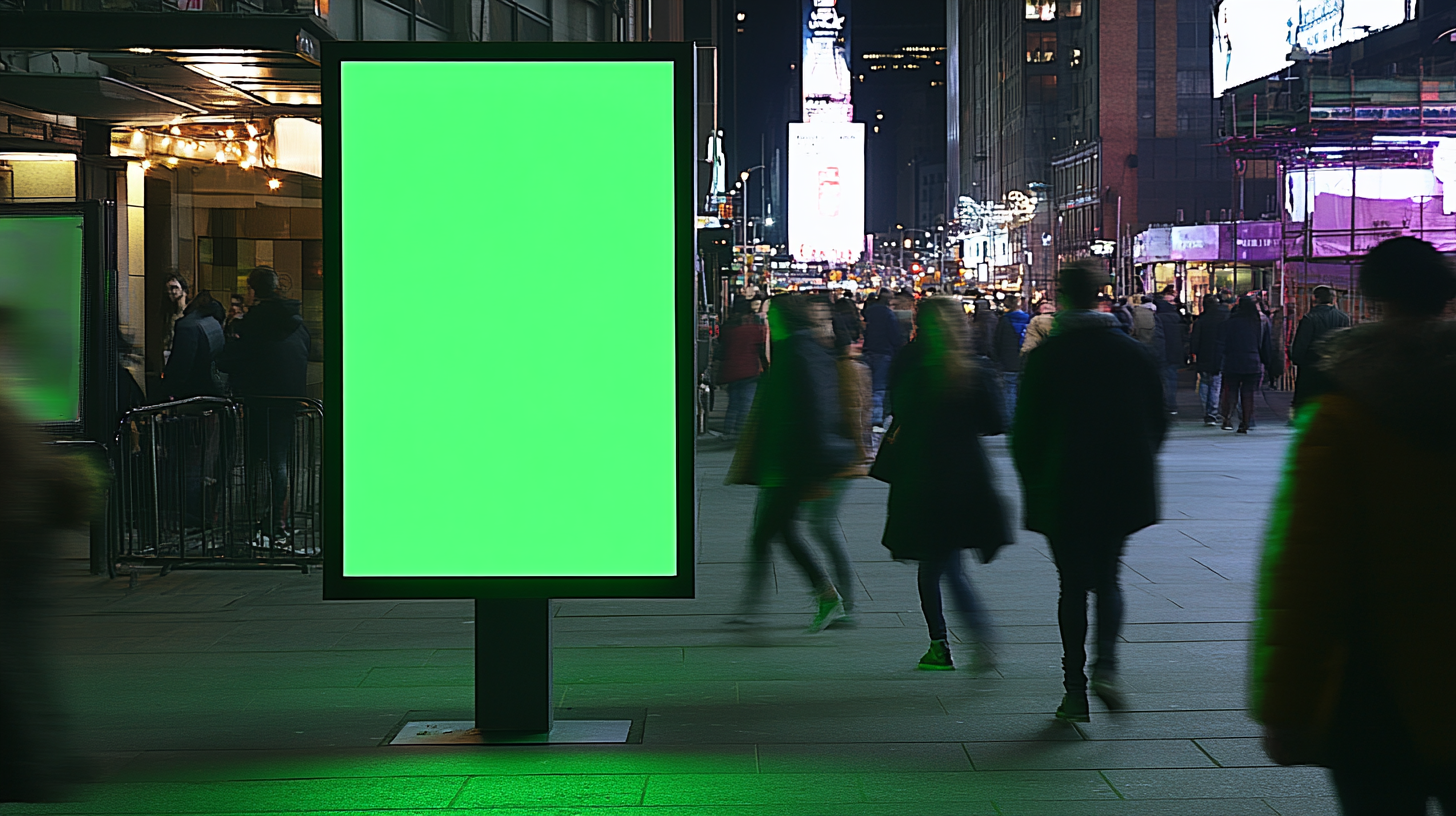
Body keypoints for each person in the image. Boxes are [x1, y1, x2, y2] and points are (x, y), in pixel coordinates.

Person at [1251, 236, 1456, 815]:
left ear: (1371, 298)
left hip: (1377, 695)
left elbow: (1304, 570)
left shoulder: (1340, 422)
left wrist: (1286, 706)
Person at [1012, 262, 1167, 722]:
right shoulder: (1133, 352)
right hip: (1120, 485)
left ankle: (1074, 689)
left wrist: (1034, 480)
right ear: (1100, 295)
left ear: (1062, 297)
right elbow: (1156, 423)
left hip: (1063, 485)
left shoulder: (1046, 357)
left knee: (1071, 586)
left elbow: (1025, 433)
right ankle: (1108, 666)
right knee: (1109, 577)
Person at [871, 297, 1008, 672]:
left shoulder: (908, 363)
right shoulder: (973, 369)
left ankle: (944, 642)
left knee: (936, 565)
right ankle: (966, 639)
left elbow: (896, 409)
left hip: (920, 477)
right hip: (965, 478)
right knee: (947, 563)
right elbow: (996, 422)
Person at [0, 306, 101, 803]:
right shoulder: (9, 401)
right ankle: (45, 755)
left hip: (13, 534)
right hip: (23, 531)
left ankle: (31, 762)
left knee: (13, 652)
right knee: (20, 649)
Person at [725, 294, 852, 632]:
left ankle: (825, 597)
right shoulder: (801, 351)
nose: (767, 322)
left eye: (771, 316)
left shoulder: (798, 353)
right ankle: (819, 598)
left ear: (783, 319)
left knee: (771, 533)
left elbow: (813, 413)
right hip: (784, 461)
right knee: (773, 533)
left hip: (790, 463)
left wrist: (809, 468)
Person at [217, 267, 310, 546]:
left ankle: (261, 521)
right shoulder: (295, 321)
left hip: (260, 400)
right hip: (288, 401)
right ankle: (278, 521)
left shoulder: (254, 323)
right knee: (280, 462)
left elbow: (231, 360)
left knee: (258, 463)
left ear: (253, 290)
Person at [1288, 285, 1351, 414]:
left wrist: (1296, 359)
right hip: (1334, 366)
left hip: (1310, 365)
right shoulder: (1343, 318)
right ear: (1333, 299)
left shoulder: (1309, 319)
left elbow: (1301, 344)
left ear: (1315, 298)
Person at [1215, 296, 1273, 433]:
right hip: (1253, 361)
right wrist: (1267, 362)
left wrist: (1219, 361)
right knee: (1248, 394)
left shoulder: (1229, 322)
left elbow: (1221, 343)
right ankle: (1245, 422)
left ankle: (1227, 418)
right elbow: (1266, 345)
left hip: (1232, 361)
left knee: (1230, 391)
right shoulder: (1259, 323)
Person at [715, 298, 768, 440]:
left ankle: (728, 431)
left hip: (730, 370)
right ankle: (740, 433)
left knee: (733, 403)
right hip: (749, 370)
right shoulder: (755, 329)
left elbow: (721, 350)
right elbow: (761, 349)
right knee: (746, 404)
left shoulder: (727, 328)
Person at [162, 291, 226, 401]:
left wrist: (168, 389)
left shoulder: (188, 326)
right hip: (214, 386)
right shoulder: (213, 322)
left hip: (193, 391)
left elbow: (181, 363)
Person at [861, 289, 905, 432]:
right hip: (883, 353)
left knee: (868, 386)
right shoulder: (888, 315)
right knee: (879, 388)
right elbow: (894, 336)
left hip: (868, 351)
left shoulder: (868, 312)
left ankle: (865, 417)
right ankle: (876, 420)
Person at [1189, 293, 1230, 426]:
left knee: (1205, 383)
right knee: (1216, 384)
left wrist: (1193, 353)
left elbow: (1195, 340)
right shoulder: (1224, 319)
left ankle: (1207, 411)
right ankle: (1212, 412)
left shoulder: (1201, 321)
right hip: (1219, 355)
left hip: (1204, 355)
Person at [989, 294, 1030, 426]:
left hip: (1008, 362)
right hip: (1026, 361)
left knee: (1009, 391)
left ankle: (1010, 422)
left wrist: (997, 359)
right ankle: (1024, 418)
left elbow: (997, 341)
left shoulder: (1004, 321)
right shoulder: (1028, 319)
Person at [1151, 285, 1185, 414]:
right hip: (1174, 353)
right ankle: (1171, 405)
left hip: (1163, 353)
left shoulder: (1158, 318)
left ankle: (1166, 404)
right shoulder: (1177, 318)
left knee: (1163, 380)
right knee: (1171, 380)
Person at [160, 273, 189, 366]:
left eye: (174, 287)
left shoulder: (189, 313)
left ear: (183, 289)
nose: (171, 292)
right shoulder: (170, 313)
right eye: (168, 289)